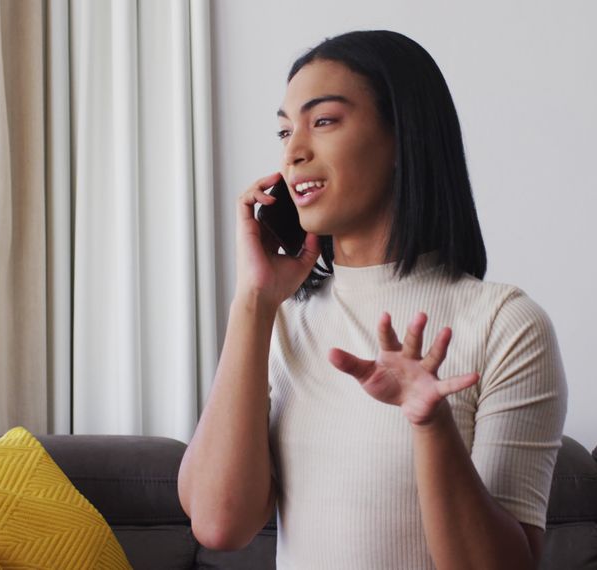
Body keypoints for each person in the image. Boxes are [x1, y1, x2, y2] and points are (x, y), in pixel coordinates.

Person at [178, 30, 567, 569]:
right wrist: (254, 301)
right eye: (285, 129)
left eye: (324, 121)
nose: (293, 151)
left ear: (403, 140)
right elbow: (220, 524)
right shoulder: (282, 323)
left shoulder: (505, 325)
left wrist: (431, 427)